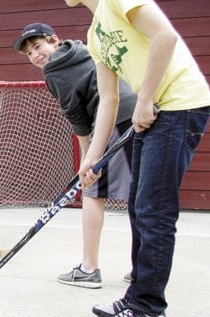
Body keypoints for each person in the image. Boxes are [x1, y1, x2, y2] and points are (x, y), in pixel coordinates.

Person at [44, 0, 210, 317]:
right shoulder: (94, 32)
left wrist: (148, 98)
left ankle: (149, 311)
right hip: (155, 114)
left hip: (180, 106)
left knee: (153, 209)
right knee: (139, 205)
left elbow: (165, 37)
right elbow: (109, 101)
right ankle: (138, 296)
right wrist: (91, 159)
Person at [13, 22, 136, 289]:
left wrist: (86, 160)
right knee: (140, 193)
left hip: (116, 119)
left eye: (37, 47)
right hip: (136, 112)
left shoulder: (55, 71)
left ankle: (89, 269)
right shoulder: (80, 49)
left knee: (92, 192)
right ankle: (142, 268)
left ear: (53, 40)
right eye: (29, 54)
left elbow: (78, 118)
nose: (35, 56)